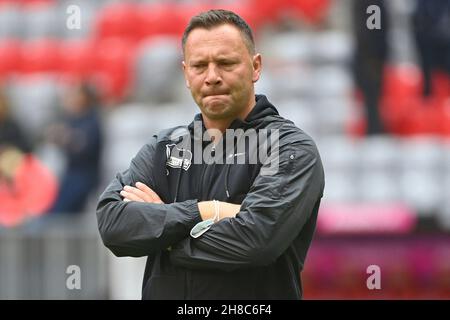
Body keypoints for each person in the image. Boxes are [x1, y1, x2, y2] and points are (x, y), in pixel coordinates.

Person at [97, 9, 324, 299]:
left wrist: (162, 234)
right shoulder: (163, 149)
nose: (212, 77)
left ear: (256, 67)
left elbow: (255, 240)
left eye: (226, 63)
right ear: (185, 74)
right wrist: (206, 211)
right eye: (199, 66)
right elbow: (113, 223)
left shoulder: (290, 149)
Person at [47, 83, 103, 213]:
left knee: (59, 211)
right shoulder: (71, 119)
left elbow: (84, 146)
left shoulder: (92, 121)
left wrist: (66, 138)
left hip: (86, 175)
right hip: (70, 173)